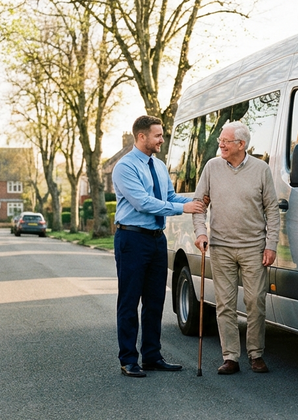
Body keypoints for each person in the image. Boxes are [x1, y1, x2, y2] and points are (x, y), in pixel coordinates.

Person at [113, 115, 206, 378]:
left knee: (155, 300)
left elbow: (168, 197)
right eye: (158, 135)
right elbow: (143, 203)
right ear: (141, 137)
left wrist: (195, 202)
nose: (162, 139)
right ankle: (129, 359)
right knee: (129, 301)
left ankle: (152, 356)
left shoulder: (160, 166)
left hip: (156, 239)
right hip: (132, 239)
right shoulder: (125, 167)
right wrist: (182, 208)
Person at [193, 121, 280, 375]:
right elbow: (199, 204)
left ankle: (256, 354)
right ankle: (230, 356)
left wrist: (270, 244)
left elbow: (272, 210)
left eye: (226, 140)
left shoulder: (261, 170)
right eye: (221, 139)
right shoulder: (212, 167)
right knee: (225, 304)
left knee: (255, 301)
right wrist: (201, 232)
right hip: (221, 247)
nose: (220, 143)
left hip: (253, 247)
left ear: (241, 145)